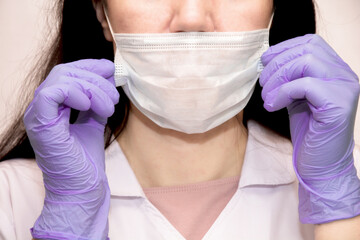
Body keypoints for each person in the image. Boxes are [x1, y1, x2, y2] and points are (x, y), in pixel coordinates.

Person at [1, 0, 360, 239]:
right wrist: (69, 225)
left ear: (273, 9)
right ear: (101, 12)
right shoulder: (12, 198)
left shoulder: (341, 188)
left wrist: (337, 209)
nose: (191, 18)